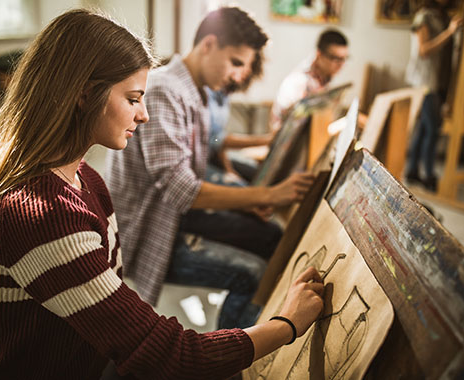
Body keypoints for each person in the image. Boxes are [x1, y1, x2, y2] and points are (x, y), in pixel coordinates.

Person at [0, 9, 325, 380]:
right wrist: (286, 324)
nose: (144, 115)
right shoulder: (44, 214)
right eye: (134, 99)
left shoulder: (86, 178)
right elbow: (174, 356)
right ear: (84, 95)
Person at [104, 7, 315, 330]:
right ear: (209, 45)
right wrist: (267, 192)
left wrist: (252, 198)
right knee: (254, 273)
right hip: (153, 229)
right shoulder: (165, 91)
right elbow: (183, 189)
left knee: (271, 234)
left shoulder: (195, 91)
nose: (239, 75)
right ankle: (230, 362)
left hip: (176, 214)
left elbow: (200, 169)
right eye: (236, 62)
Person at [404, 0, 463, 191]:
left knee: (423, 128)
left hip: (436, 82)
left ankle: (412, 171)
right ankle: (429, 175)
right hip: (424, 82)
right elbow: (424, 50)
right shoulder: (424, 16)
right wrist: (450, 32)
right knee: (432, 128)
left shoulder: (441, 16)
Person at [205, 51, 274, 186]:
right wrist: (266, 140)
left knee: (256, 172)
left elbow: (218, 142)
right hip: (202, 161)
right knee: (241, 188)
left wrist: (229, 169)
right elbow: (216, 139)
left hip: (213, 155)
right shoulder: (210, 90)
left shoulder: (224, 94)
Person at [270, 28, 349, 131]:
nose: (340, 64)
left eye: (344, 59)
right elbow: (283, 126)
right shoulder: (299, 81)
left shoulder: (323, 78)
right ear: (319, 55)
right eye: (335, 58)